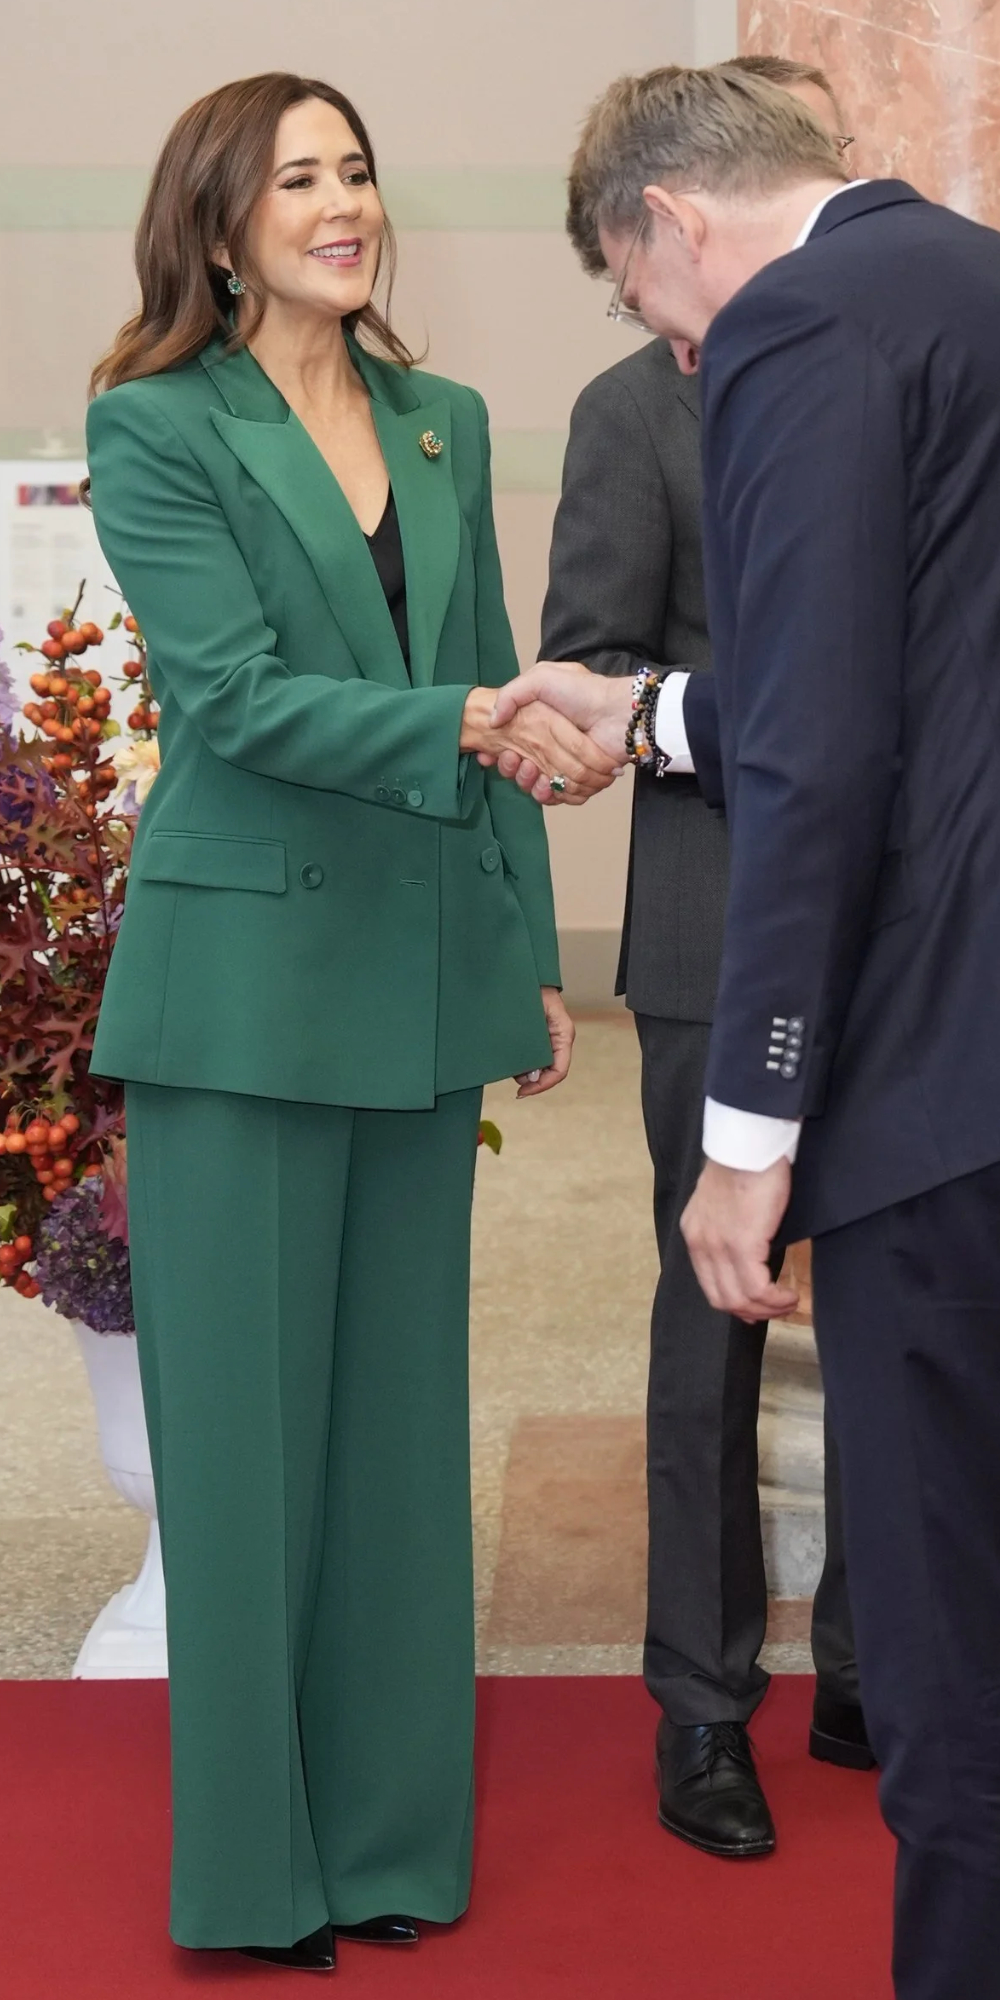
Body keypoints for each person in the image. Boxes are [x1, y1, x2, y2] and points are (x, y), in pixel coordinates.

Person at [85, 70, 616, 1972]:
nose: (343, 203)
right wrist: (473, 720)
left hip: (411, 983)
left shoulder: (448, 421)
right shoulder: (156, 426)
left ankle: (391, 1846)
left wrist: (523, 940)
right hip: (237, 1001)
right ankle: (253, 1879)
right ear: (219, 224)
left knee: (399, 1440)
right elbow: (228, 697)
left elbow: (478, 684)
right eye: (297, 177)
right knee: (245, 1451)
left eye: (359, 170)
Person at [494, 62, 1000, 2000]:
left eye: (645, 303)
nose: (670, 344)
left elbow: (828, 762)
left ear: (666, 226)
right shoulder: (966, 283)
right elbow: (901, 688)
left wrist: (744, 1133)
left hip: (938, 1085)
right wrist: (654, 718)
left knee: (950, 1658)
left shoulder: (790, 323)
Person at [538, 52, 871, 1865]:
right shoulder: (626, 410)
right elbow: (589, 662)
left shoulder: (881, 367)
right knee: (712, 1323)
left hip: (889, 934)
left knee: (898, 1299)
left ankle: (872, 1671)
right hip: (705, 926)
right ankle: (699, 1705)